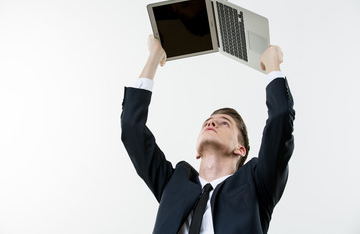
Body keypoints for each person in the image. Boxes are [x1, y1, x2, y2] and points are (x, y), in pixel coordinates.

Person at [121, 35, 295, 234]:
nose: (212, 122)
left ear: (240, 149)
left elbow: (281, 119)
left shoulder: (257, 184)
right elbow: (131, 128)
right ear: (197, 151)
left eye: (224, 123)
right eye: (208, 122)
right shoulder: (174, 183)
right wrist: (154, 57)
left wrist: (272, 63)